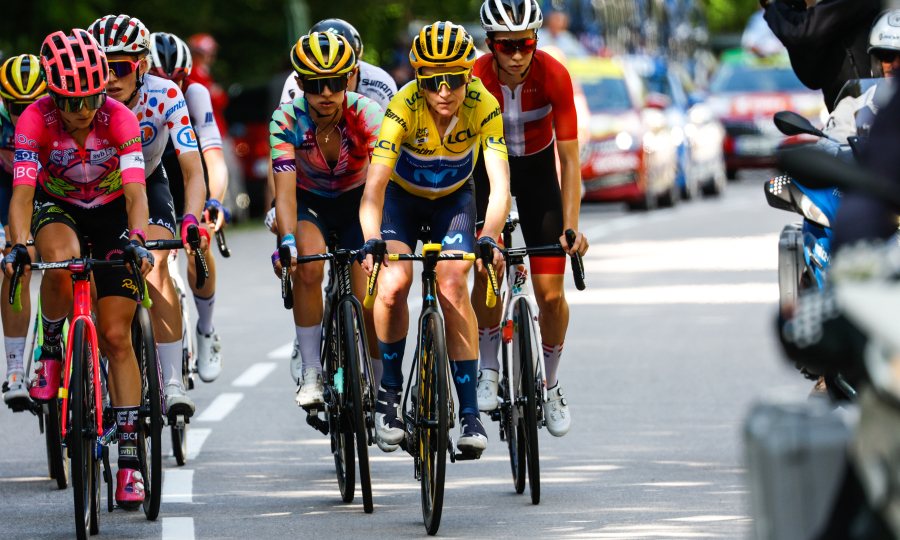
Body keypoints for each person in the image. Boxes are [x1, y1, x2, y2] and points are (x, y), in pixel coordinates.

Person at [3, 28, 154, 507]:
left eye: (90, 97)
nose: (82, 110)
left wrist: (138, 241)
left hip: (112, 211)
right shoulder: (34, 120)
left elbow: (136, 194)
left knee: (115, 336)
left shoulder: (121, 118)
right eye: (70, 101)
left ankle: (130, 460)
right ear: (53, 94)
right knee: (60, 261)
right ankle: (51, 345)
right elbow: (23, 196)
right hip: (58, 206)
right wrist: (18, 245)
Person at [359, 21, 511, 456]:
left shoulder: (484, 104)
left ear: (469, 77)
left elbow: (499, 185)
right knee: (392, 285)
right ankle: (388, 396)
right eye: (432, 82)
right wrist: (372, 239)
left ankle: (468, 414)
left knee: (451, 282)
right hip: (400, 203)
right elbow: (373, 190)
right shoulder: (402, 107)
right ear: (418, 80)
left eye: (454, 81)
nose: (444, 91)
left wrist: (491, 236)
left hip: (453, 203)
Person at [472, 0, 589, 437]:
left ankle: (552, 383)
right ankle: (488, 369)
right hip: (489, 174)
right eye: (507, 46)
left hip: (540, 175)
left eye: (525, 44)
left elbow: (570, 159)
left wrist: (572, 226)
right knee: (485, 272)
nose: (518, 54)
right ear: (491, 45)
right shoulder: (474, 78)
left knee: (551, 295)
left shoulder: (554, 74)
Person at [88, 14, 210, 420]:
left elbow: (192, 169)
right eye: (101, 68)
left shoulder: (165, 93)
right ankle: (86, 362)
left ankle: (172, 380)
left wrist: (191, 220)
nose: (108, 78)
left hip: (150, 181)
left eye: (119, 67)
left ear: (141, 65)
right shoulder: (85, 100)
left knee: (157, 263)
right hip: (97, 193)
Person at [270, 31, 384, 406]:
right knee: (307, 264)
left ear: (349, 78)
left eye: (334, 83)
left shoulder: (367, 114)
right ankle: (312, 371)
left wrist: (378, 235)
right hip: (310, 202)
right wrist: (286, 240)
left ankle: (380, 385)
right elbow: (285, 193)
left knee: (367, 289)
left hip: (357, 201)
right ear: (300, 84)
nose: (325, 94)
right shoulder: (286, 120)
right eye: (315, 85)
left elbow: (384, 182)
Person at [150, 31, 228, 380]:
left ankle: (207, 329)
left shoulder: (195, 93)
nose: (170, 88)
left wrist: (214, 201)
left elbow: (213, 156)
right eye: (160, 79)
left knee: (202, 242)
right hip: (148, 176)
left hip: (184, 172)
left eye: (177, 81)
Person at [0, 54, 45, 407]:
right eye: (16, 107)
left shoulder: (57, 116)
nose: (24, 114)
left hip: (45, 191)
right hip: (7, 193)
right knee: (18, 261)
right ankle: (15, 368)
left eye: (32, 104)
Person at [761, 0, 881, 111]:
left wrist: (773, 4)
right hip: (844, 120)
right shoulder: (832, 14)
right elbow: (813, 78)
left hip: (867, 115)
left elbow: (800, 31)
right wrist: (794, 6)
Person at [278, 19, 398, 110]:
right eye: (316, 83)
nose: (327, 92)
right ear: (301, 84)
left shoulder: (380, 84)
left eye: (337, 80)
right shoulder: (294, 85)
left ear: (355, 69)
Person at [187, 33, 228, 136]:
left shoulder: (202, 72)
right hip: (208, 130)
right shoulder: (194, 73)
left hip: (212, 128)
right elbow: (219, 100)